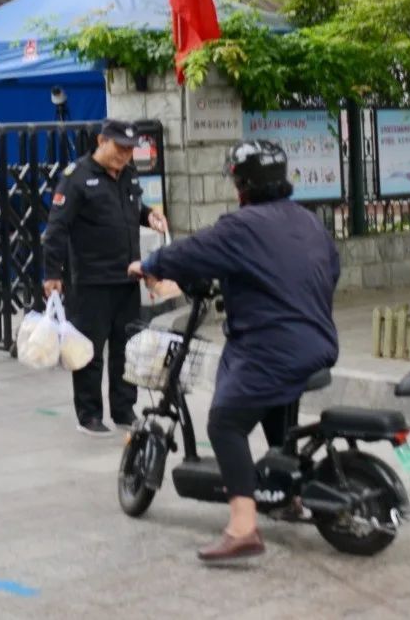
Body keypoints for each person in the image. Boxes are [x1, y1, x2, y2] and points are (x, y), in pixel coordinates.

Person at [129, 138, 339, 564]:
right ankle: (287, 495)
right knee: (272, 403)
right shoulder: (309, 221)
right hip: (318, 342)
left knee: (225, 420)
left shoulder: (241, 227)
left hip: (272, 347)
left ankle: (243, 528)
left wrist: (148, 266)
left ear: (241, 184)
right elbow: (329, 270)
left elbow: (191, 252)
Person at [42, 119, 168, 437]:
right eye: (119, 149)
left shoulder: (127, 174)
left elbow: (131, 206)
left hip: (127, 277)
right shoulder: (77, 177)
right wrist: (52, 273)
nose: (124, 156)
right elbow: (57, 227)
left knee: (126, 348)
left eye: (129, 151)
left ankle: (124, 410)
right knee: (89, 351)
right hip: (91, 281)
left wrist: (148, 214)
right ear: (101, 141)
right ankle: (89, 415)